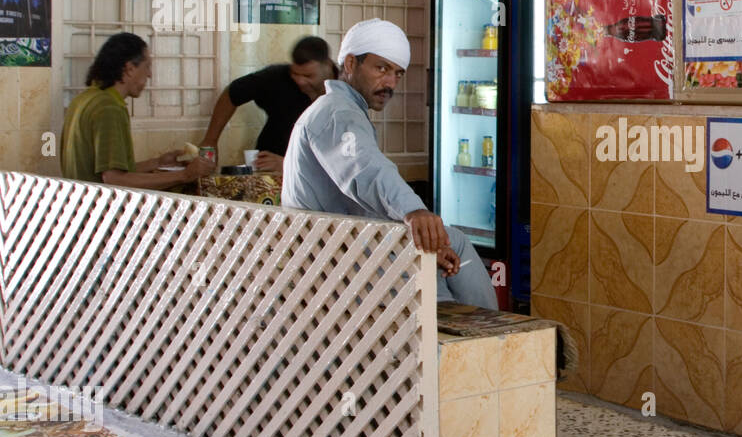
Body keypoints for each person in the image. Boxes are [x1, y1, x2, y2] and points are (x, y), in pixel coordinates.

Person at [281, 19, 497, 307]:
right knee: (451, 248)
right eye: (381, 68)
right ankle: (488, 334)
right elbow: (366, 170)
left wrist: (416, 229)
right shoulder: (337, 113)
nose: (390, 83)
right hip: (330, 258)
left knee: (445, 243)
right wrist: (414, 212)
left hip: (341, 247)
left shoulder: (339, 109)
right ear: (349, 64)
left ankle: (471, 329)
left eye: (397, 73)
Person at [60, 32, 215, 188]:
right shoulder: (109, 108)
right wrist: (185, 175)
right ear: (129, 69)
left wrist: (157, 163)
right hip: (101, 209)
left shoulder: (84, 99)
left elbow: (106, 172)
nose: (150, 74)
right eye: (147, 66)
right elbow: (115, 179)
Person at [199, 35, 336, 173]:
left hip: (319, 179)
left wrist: (286, 164)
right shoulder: (278, 78)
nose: (300, 81)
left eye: (308, 76)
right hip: (268, 175)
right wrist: (210, 141)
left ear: (328, 66)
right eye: (295, 74)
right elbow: (232, 94)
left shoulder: (346, 92)